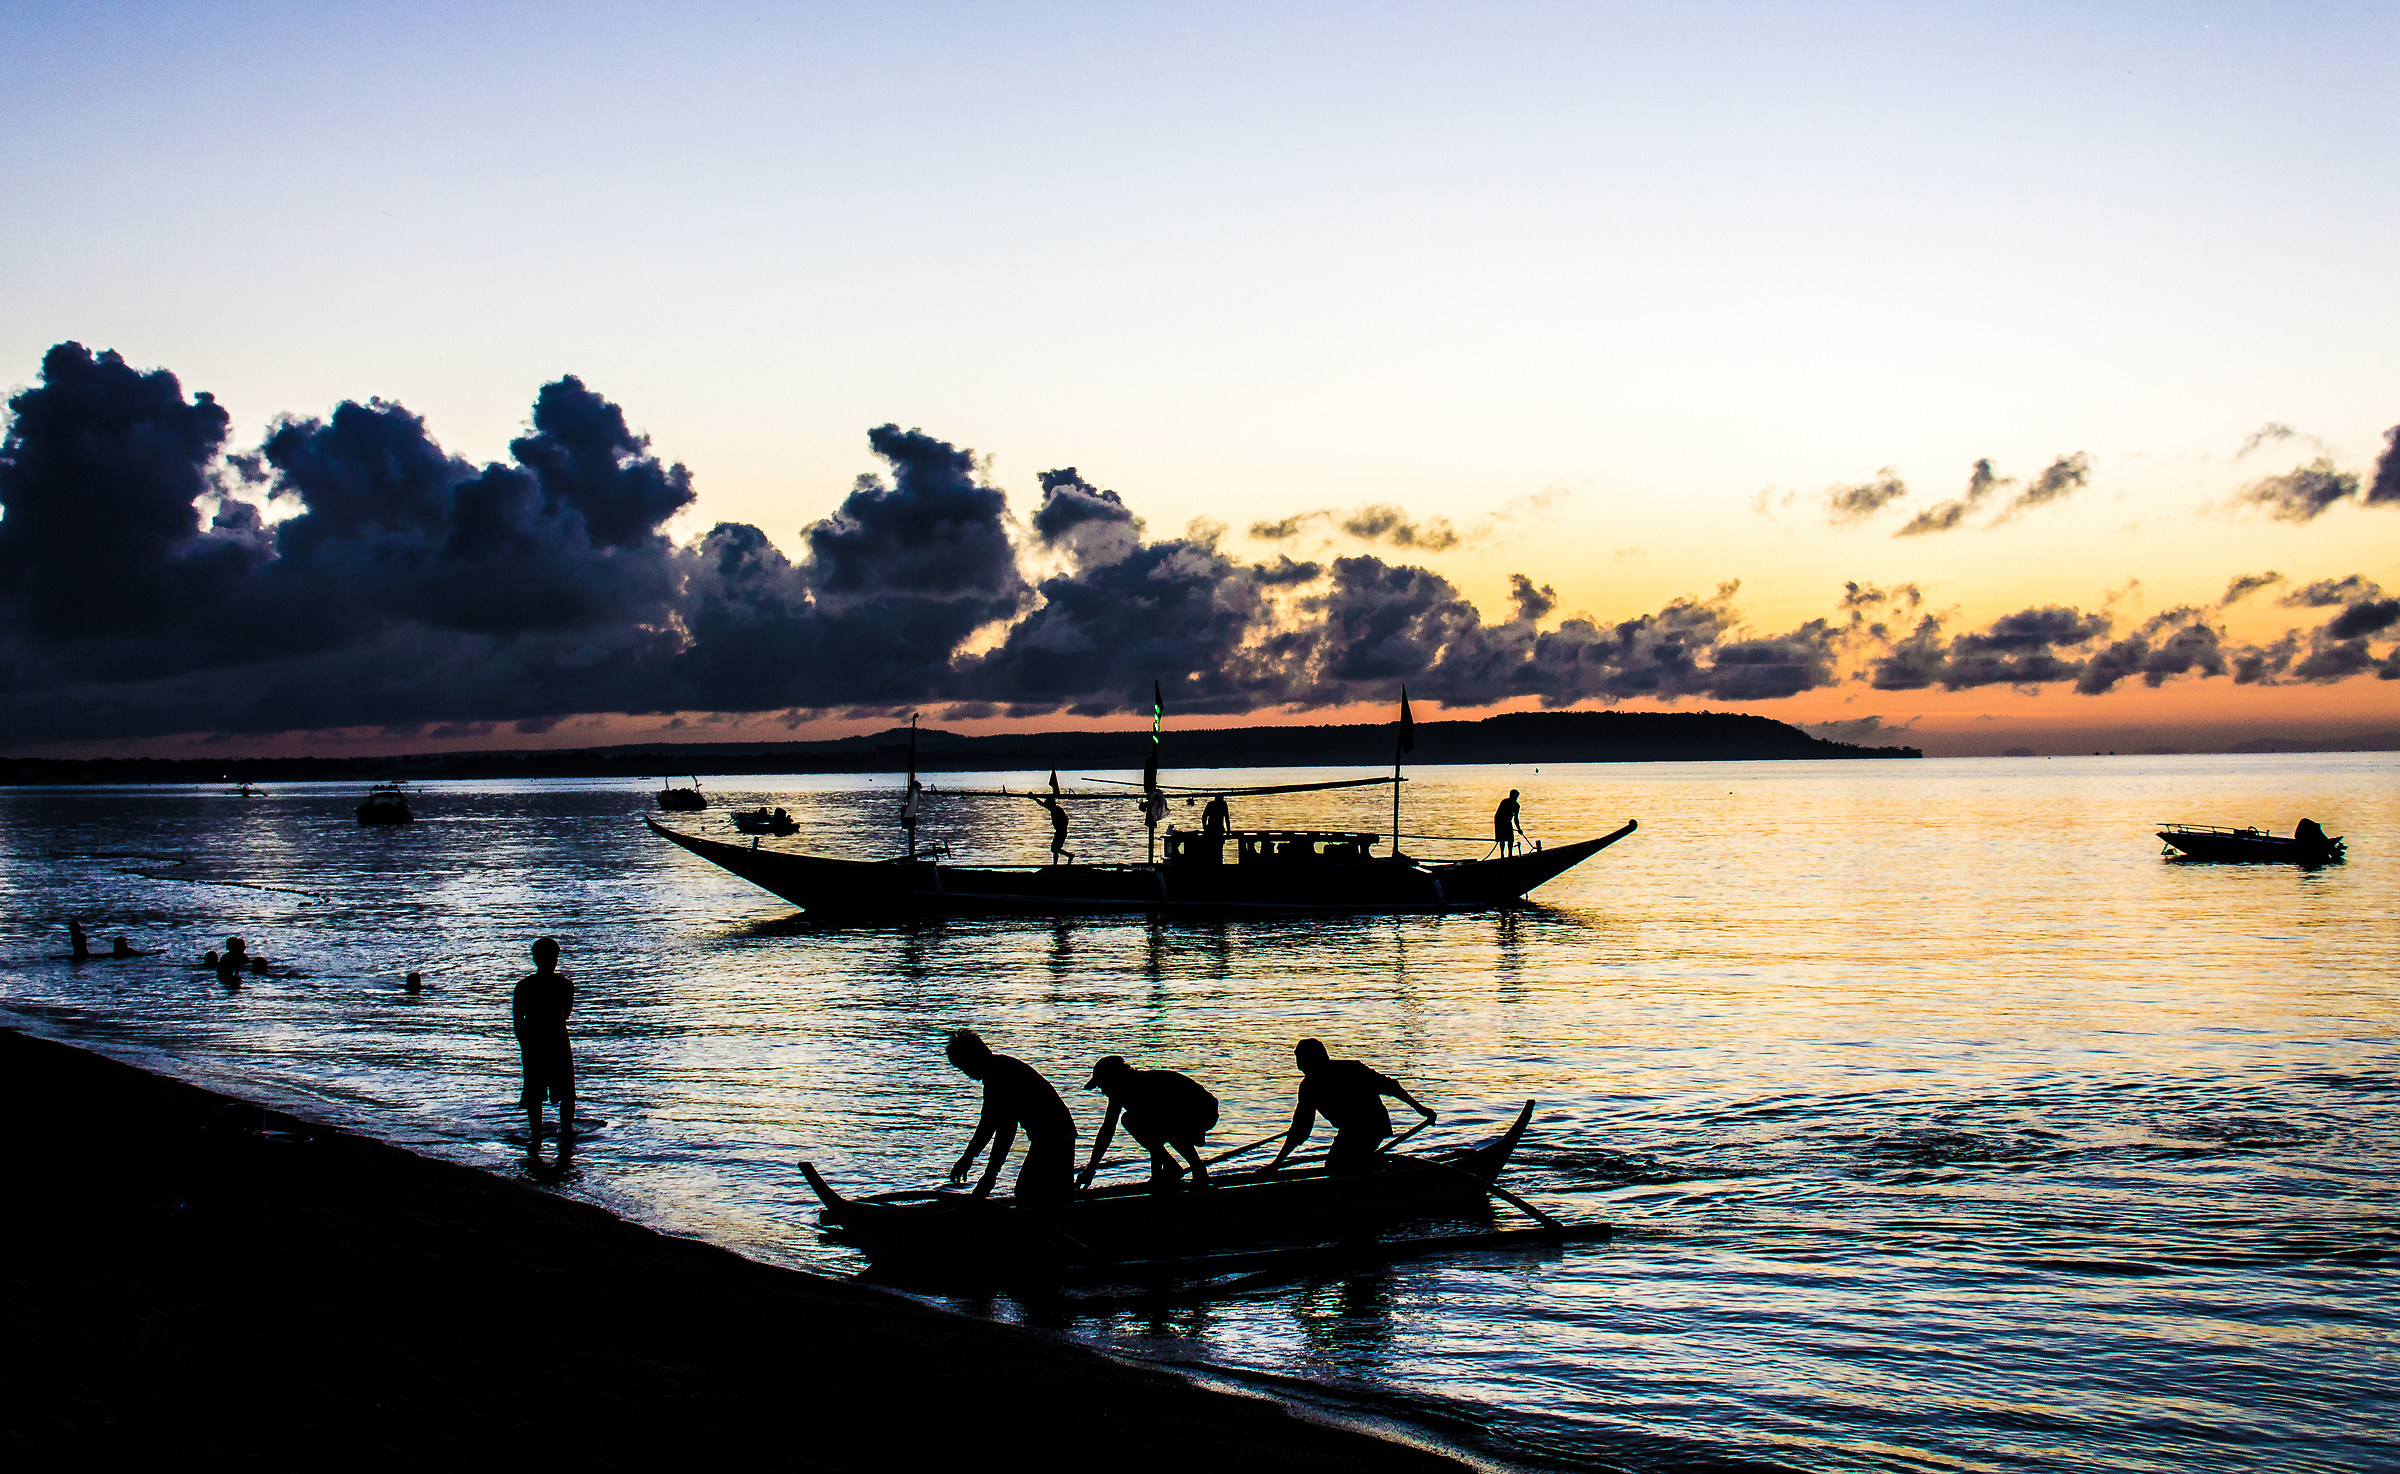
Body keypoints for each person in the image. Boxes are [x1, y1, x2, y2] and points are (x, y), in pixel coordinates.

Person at [1267, 1038, 1435, 1176]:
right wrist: (1275, 1165)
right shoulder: (1308, 1088)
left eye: (1302, 1058)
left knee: (1339, 1166)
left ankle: (1381, 1173)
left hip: (1372, 1125)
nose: (1300, 1063)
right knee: (1336, 1166)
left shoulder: (1352, 1069)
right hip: (1349, 1131)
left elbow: (1390, 1086)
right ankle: (1373, 1166)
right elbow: (1300, 1130)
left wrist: (1420, 1109)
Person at [944, 1030, 1075, 1204]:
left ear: (972, 1060)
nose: (965, 1073)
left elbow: (1005, 1129)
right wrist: (969, 1157)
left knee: (1027, 1192)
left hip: (1054, 1137)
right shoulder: (999, 1069)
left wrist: (990, 1174)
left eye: (963, 1067)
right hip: (1055, 1135)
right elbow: (990, 1124)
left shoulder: (999, 1076)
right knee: (1047, 1193)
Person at [1078, 1055, 1219, 1192]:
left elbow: (1156, 1131)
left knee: (1167, 1124)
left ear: (1114, 1080)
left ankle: (1198, 1171)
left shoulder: (1142, 1088)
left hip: (1203, 1110)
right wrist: (1090, 1169)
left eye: (1102, 1086)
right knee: (1129, 1120)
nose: (1102, 1091)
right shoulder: (1119, 1092)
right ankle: (1172, 1167)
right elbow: (1107, 1130)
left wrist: (1155, 1180)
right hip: (1180, 1114)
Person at [511, 936, 576, 1158]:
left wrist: (524, 1044)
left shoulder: (524, 986)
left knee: (536, 1093)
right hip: (555, 1039)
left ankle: (537, 1135)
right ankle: (564, 1134)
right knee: (564, 1092)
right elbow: (565, 1013)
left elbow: (518, 1020)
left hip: (536, 1041)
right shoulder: (564, 985)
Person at [1027, 792, 1070, 865]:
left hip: (1061, 832)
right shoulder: (1053, 809)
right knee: (1055, 849)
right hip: (1059, 832)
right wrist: (1034, 798)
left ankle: (1069, 855)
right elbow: (1042, 804)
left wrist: (1061, 827)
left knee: (1054, 849)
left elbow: (1066, 820)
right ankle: (1055, 864)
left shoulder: (1057, 810)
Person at [1494, 789, 1526, 856]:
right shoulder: (1504, 802)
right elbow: (1497, 815)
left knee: (1510, 839)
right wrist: (1497, 830)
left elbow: (1516, 819)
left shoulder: (1517, 805)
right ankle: (1502, 855)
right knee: (1502, 840)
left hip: (1508, 823)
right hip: (1500, 822)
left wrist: (1519, 829)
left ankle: (1510, 855)